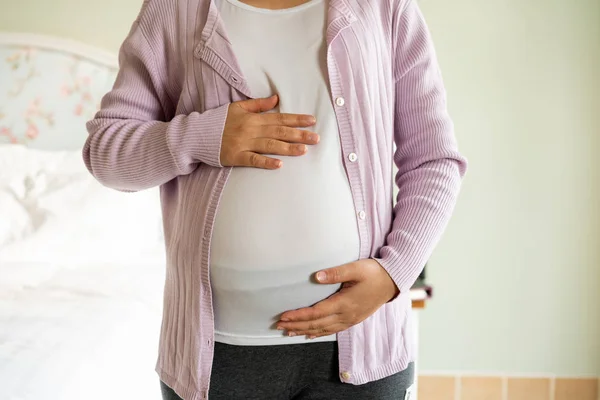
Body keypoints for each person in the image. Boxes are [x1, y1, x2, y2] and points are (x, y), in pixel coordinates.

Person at [83, 0, 467, 398]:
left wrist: (393, 275)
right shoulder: (174, 9)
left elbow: (434, 160)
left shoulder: (386, 7)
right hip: (216, 359)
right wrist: (203, 137)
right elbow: (107, 153)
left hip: (360, 347)